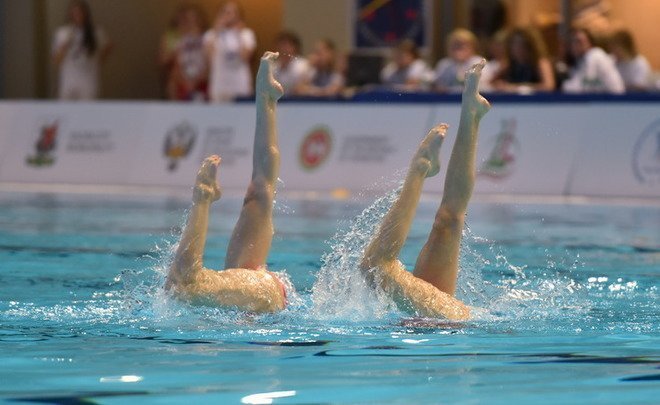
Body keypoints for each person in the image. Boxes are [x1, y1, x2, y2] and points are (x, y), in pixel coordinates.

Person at [360, 60, 491, 321]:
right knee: (449, 219)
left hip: (444, 320)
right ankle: (470, 115)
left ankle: (423, 166)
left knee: (446, 221)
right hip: (449, 319)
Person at [166, 52, 286, 312]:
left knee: (184, 287)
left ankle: (203, 197)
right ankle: (265, 97)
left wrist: (202, 201)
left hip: (261, 293)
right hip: (264, 293)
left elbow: (182, 287)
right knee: (260, 190)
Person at [52, 0, 112, 100]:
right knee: (66, 108)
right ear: (70, 14)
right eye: (74, 13)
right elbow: (56, 60)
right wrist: (65, 46)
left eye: (80, 12)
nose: (77, 16)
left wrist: (97, 61)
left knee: (88, 108)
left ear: (86, 14)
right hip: (68, 83)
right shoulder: (62, 33)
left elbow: (108, 46)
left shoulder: (96, 32)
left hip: (88, 83)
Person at [204, 1, 256, 102]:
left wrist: (239, 35)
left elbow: (245, 57)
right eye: (225, 11)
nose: (228, 15)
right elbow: (208, 58)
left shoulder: (246, 34)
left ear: (238, 15)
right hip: (219, 86)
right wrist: (216, 30)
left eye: (232, 12)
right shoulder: (210, 35)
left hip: (240, 86)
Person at [491, 27, 555, 93]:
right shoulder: (509, 64)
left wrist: (517, 88)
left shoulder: (541, 62)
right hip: (514, 99)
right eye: (514, 44)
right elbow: (492, 82)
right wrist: (501, 85)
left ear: (531, 46)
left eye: (522, 44)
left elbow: (549, 86)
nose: (518, 49)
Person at [166, 4, 209, 101]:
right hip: (183, 82)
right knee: (172, 83)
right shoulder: (178, 40)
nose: (191, 23)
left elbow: (209, 64)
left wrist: (197, 81)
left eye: (195, 19)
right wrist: (185, 81)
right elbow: (176, 64)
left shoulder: (207, 38)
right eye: (188, 20)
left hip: (203, 82)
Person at [562, 28, 624, 94]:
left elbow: (585, 85)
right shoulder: (582, 61)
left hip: (615, 98)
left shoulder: (594, 55)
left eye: (579, 41)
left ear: (590, 43)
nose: (576, 45)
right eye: (573, 41)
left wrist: (563, 86)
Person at [433, 29, 484, 93]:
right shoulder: (444, 64)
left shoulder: (479, 62)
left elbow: (483, 87)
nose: (458, 48)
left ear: (473, 46)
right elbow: (437, 85)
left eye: (462, 44)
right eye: (455, 44)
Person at [272, 31, 310, 96]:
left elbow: (304, 88)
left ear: (295, 48)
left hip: (298, 99)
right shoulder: (273, 66)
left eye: (287, 45)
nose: (284, 49)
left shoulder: (304, 65)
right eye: (282, 45)